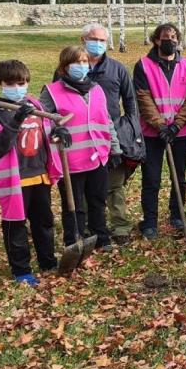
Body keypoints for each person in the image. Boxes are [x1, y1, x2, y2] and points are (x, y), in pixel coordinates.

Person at [0, 60, 60, 286]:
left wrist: (58, 132)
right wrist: (15, 121)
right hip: (14, 179)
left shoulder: (34, 104)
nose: (16, 87)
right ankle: (21, 269)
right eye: (10, 83)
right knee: (15, 224)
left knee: (43, 221)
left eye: (21, 83)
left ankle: (48, 261)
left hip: (39, 172)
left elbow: (47, 131)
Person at [41, 46, 120, 251]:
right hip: (71, 160)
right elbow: (44, 121)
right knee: (73, 205)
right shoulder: (52, 91)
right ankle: (73, 240)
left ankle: (100, 237)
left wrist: (114, 147)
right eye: (77, 62)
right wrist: (55, 130)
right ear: (65, 66)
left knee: (97, 200)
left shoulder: (96, 89)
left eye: (85, 61)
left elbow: (106, 120)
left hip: (97, 155)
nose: (82, 66)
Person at [80, 23, 143, 245]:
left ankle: (120, 227)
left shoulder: (117, 69)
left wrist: (130, 128)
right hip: (81, 138)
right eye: (93, 39)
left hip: (112, 135)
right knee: (86, 185)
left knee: (114, 186)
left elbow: (130, 101)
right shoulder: (70, 68)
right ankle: (88, 227)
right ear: (83, 40)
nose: (97, 44)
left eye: (102, 40)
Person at [134, 23, 186, 240]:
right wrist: (160, 125)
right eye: (165, 37)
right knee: (151, 178)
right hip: (153, 133)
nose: (169, 40)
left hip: (180, 132)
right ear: (157, 40)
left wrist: (176, 125)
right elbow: (143, 98)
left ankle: (177, 214)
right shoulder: (143, 65)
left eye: (173, 37)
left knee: (178, 176)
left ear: (178, 40)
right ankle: (150, 222)